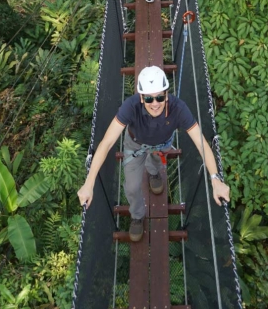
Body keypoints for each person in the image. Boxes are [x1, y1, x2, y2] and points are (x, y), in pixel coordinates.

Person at [77, 66, 230, 242]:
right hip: (135, 146)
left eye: (160, 97)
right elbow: (107, 143)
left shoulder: (178, 108)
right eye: (149, 98)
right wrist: (89, 183)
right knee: (132, 187)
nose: (155, 103)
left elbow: (201, 143)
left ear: (166, 94)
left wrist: (215, 179)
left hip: (162, 145)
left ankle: (154, 173)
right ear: (141, 98)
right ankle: (137, 216)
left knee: (156, 163)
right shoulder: (130, 107)